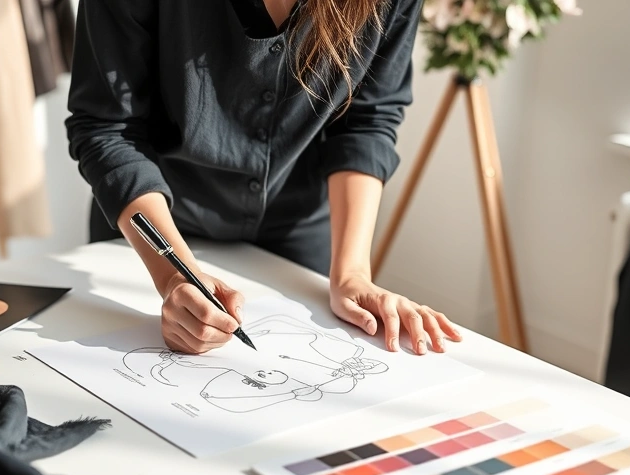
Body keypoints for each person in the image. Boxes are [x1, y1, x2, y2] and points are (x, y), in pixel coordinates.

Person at [65, 0, 463, 356]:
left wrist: (353, 274)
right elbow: (107, 127)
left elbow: (366, 123)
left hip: (299, 232)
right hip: (152, 230)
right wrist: (173, 276)